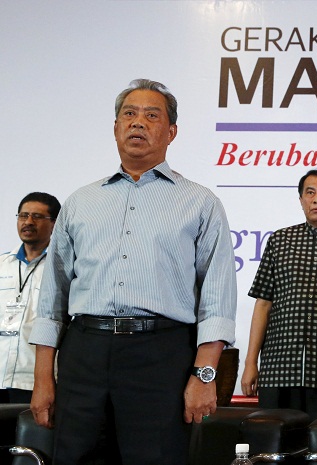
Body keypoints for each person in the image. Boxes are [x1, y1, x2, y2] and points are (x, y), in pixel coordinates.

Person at [29, 79, 237, 464]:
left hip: (160, 356)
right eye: (129, 114)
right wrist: (43, 378)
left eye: (151, 115)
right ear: (115, 128)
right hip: (84, 354)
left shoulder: (200, 203)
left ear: (171, 132)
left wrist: (204, 376)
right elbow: (52, 298)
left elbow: (217, 300)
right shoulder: (80, 202)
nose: (138, 123)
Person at [241, 167, 317, 420]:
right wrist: (251, 362)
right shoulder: (280, 241)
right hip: (279, 368)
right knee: (276, 446)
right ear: (301, 199)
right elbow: (263, 303)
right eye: (310, 192)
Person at [0, 193, 60, 403]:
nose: (28, 222)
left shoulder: (63, 267)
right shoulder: (2, 264)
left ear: (54, 224)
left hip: (35, 381)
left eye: (37, 216)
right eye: (23, 215)